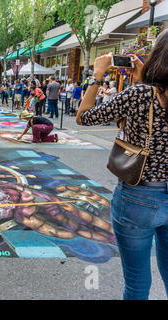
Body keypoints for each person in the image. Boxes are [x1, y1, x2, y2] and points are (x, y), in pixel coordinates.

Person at [76, 30, 168, 300]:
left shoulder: (140, 95)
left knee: (138, 283)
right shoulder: (141, 93)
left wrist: (96, 76)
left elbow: (84, 117)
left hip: (140, 195)